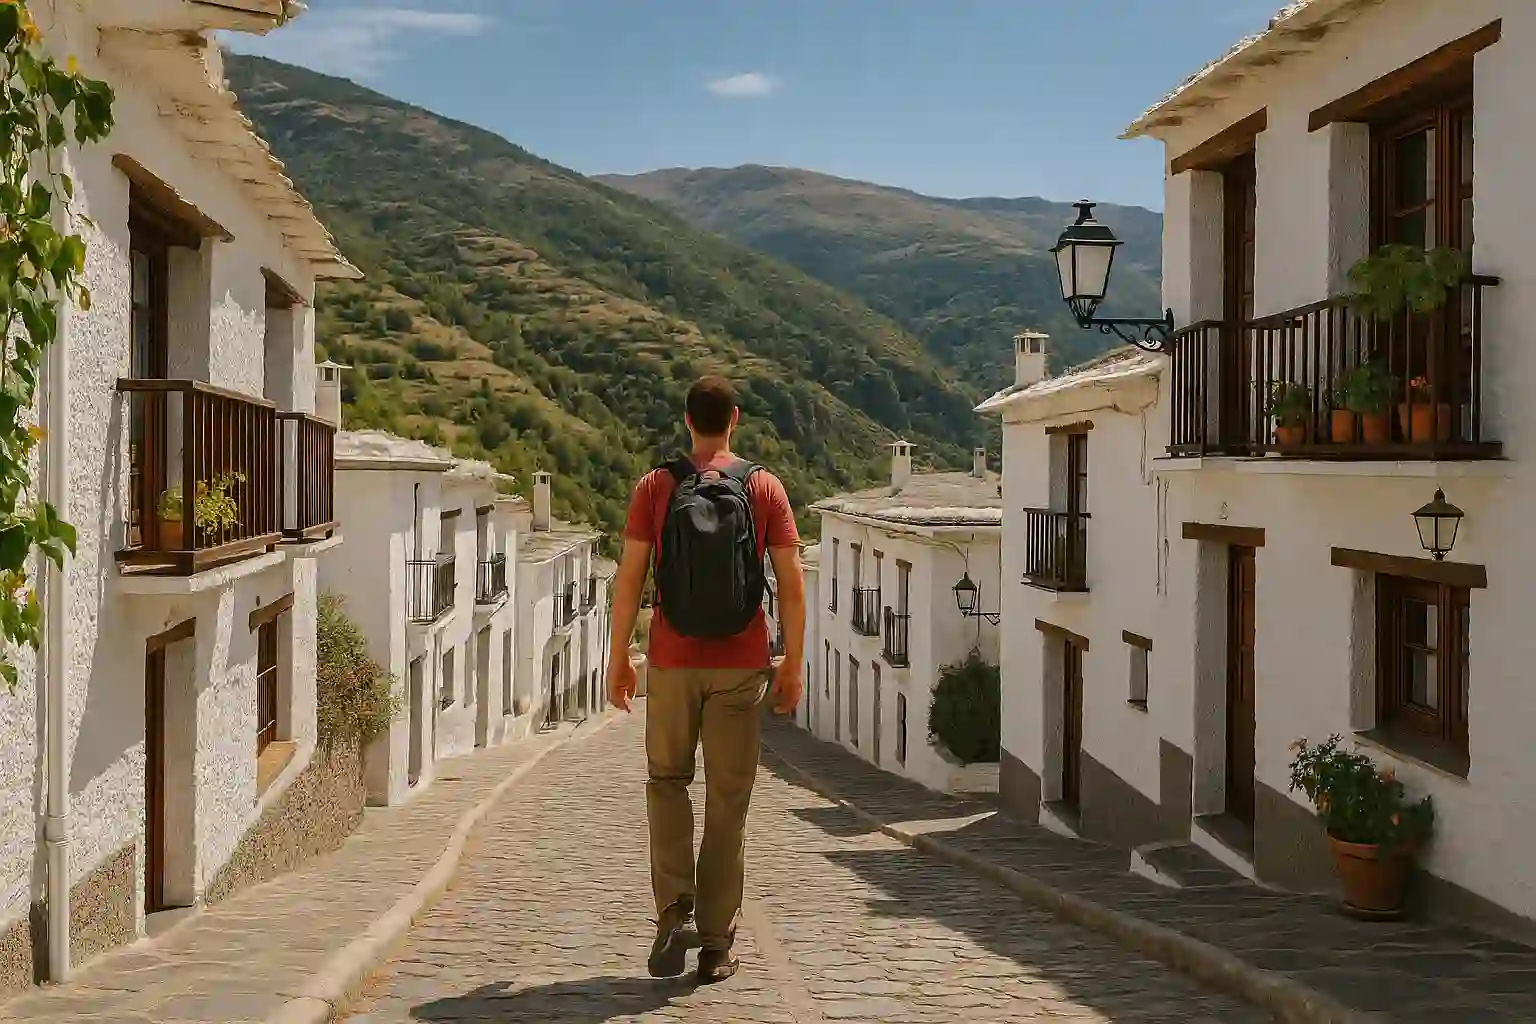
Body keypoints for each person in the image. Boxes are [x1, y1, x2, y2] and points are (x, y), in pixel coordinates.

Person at [606, 375, 805, 985]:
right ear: (735, 420)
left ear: (686, 420)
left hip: (670, 658)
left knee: (666, 781)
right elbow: (791, 583)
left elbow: (630, 578)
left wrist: (620, 657)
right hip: (741, 663)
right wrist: (791, 663)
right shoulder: (763, 487)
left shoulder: (656, 486)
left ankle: (673, 913)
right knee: (728, 803)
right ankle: (717, 945)